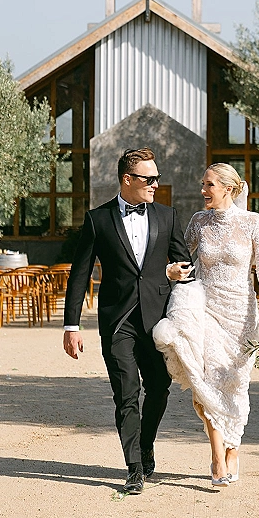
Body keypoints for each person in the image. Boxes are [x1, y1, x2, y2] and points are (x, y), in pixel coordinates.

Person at [63, 147, 192, 495]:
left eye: (157, 178)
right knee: (126, 394)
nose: (155, 184)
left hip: (156, 321)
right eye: (149, 179)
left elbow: (185, 268)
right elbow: (79, 275)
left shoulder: (168, 216)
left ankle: (145, 442)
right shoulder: (97, 220)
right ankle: (134, 467)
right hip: (117, 321)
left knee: (160, 388)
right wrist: (71, 326)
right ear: (127, 179)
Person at [153, 163, 259, 487]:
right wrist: (170, 272)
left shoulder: (254, 222)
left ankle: (233, 449)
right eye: (203, 183)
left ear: (227, 187)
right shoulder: (200, 221)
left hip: (241, 316)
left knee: (236, 385)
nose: (203, 190)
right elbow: (181, 255)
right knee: (206, 381)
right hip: (207, 311)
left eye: (209, 184)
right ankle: (216, 455)